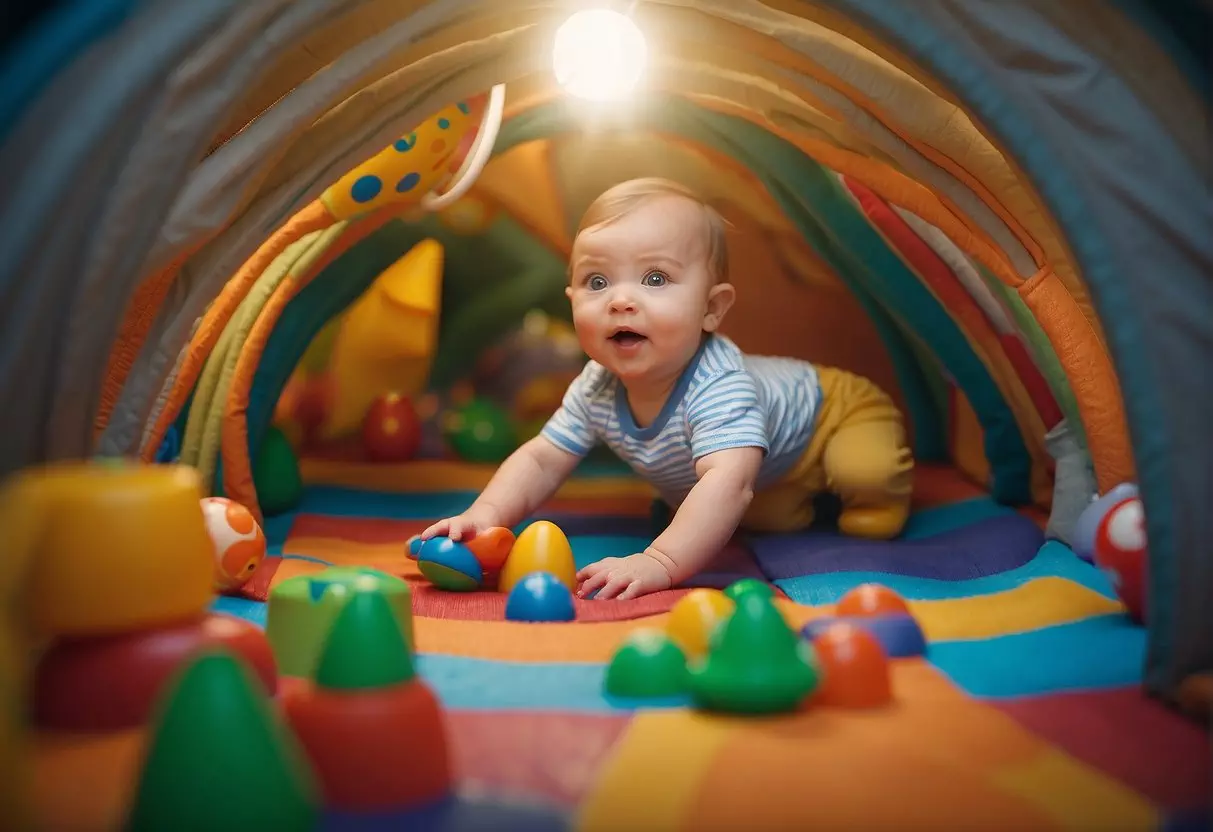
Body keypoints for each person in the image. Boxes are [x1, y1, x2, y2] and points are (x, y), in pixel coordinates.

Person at [421, 178, 913, 600]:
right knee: (755, 513)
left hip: (834, 412)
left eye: (655, 278)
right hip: (770, 466)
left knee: (863, 472)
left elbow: (727, 481)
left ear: (712, 309)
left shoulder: (716, 384)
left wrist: (659, 560)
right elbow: (541, 459)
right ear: (570, 299)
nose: (620, 300)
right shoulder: (596, 385)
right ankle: (795, 498)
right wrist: (485, 514)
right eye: (596, 281)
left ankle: (869, 498)